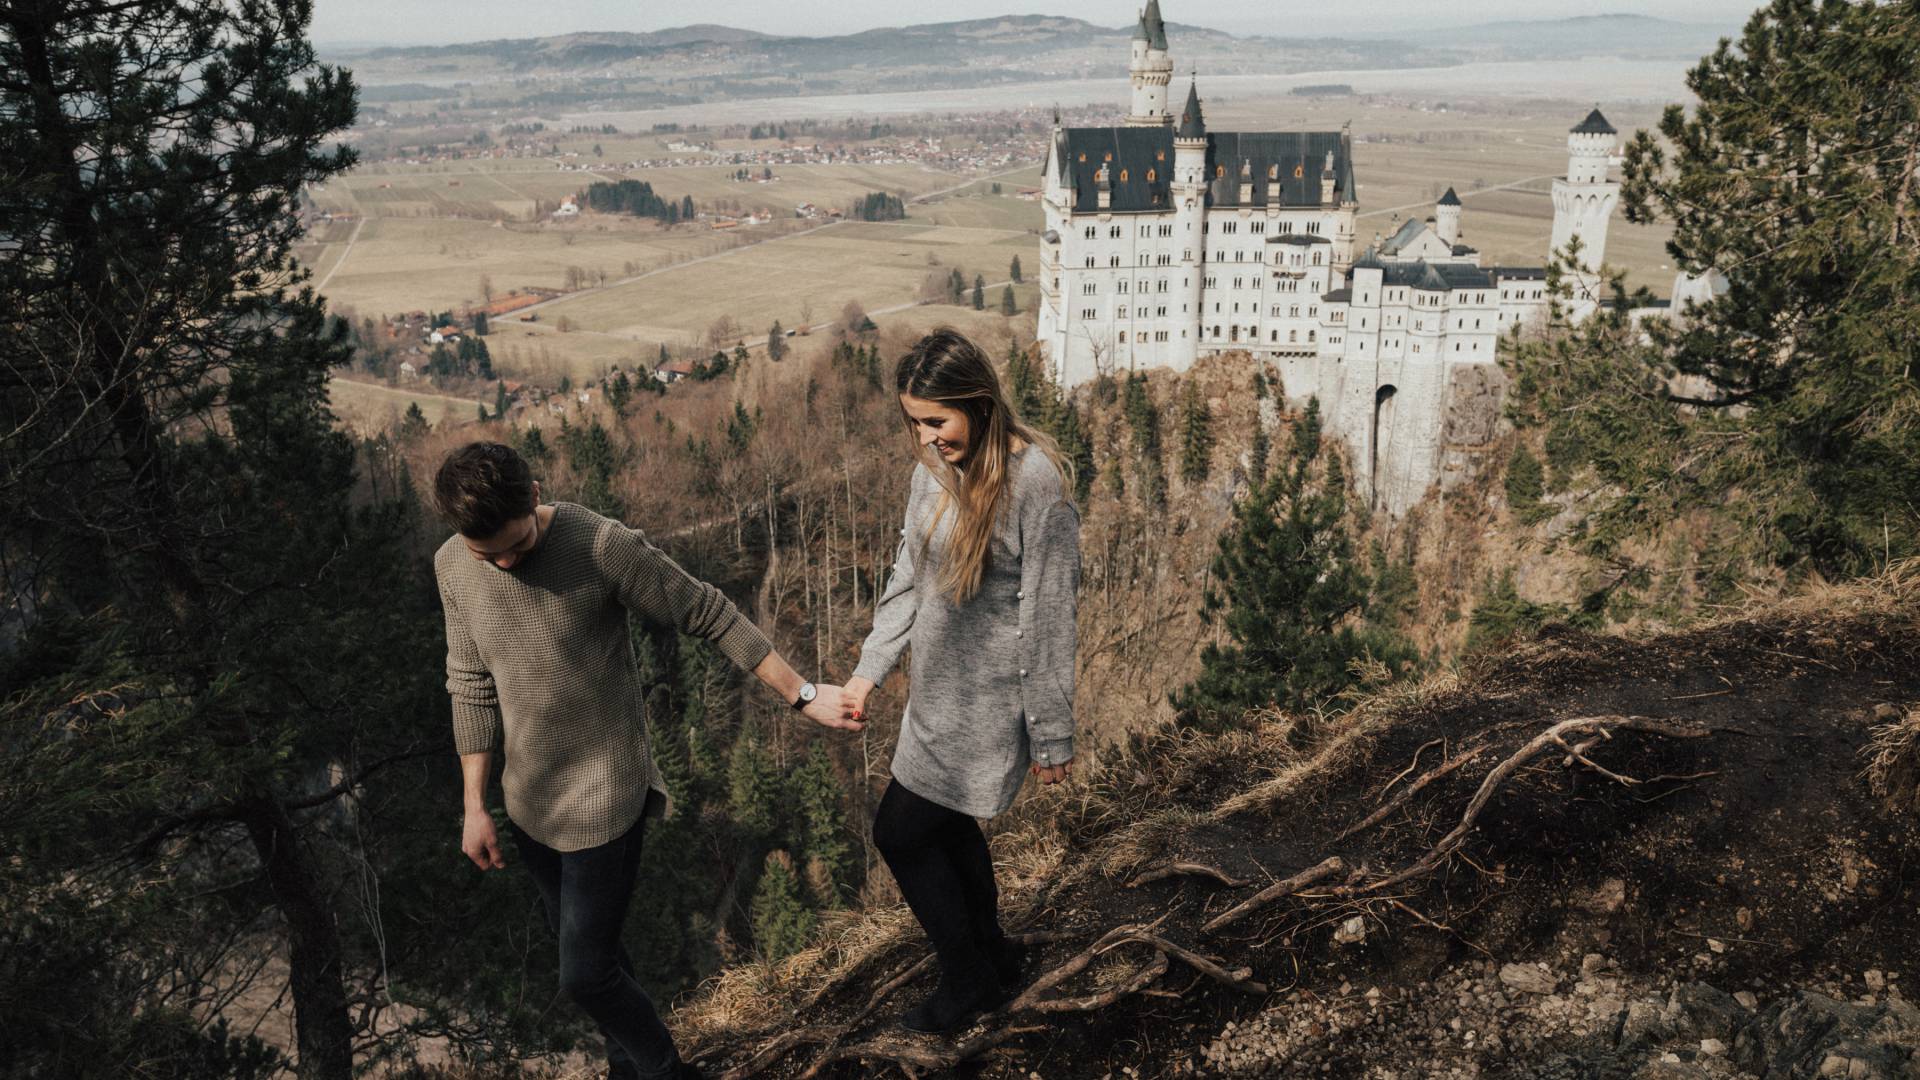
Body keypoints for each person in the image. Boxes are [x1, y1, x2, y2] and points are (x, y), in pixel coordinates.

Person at [430, 442, 862, 1080]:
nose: (503, 563)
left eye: (515, 546)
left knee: (583, 974)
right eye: (485, 553)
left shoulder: (599, 545)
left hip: (606, 795)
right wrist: (475, 804)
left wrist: (801, 696)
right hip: (529, 803)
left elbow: (707, 610)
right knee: (598, 959)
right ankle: (625, 1070)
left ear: (535, 494)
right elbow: (469, 683)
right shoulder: (452, 565)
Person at [845, 327, 1082, 1035]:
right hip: (934, 698)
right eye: (914, 422)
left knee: (903, 833)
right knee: (946, 833)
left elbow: (1049, 621)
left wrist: (1052, 734)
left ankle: (967, 979)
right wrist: (868, 674)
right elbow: (908, 577)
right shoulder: (933, 470)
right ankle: (995, 955)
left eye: (937, 421)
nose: (925, 438)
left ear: (979, 403)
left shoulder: (1036, 486)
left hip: (988, 707)